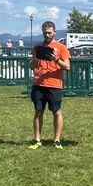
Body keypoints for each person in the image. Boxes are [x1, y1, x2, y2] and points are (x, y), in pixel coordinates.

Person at [28, 20, 71, 150]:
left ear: (54, 32)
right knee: (38, 111)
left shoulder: (61, 47)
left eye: (50, 33)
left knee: (56, 111)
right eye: (45, 33)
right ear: (42, 32)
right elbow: (31, 66)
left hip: (54, 85)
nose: (47, 35)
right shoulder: (37, 47)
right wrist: (36, 58)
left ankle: (57, 140)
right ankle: (37, 140)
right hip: (38, 84)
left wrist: (55, 59)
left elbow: (67, 66)